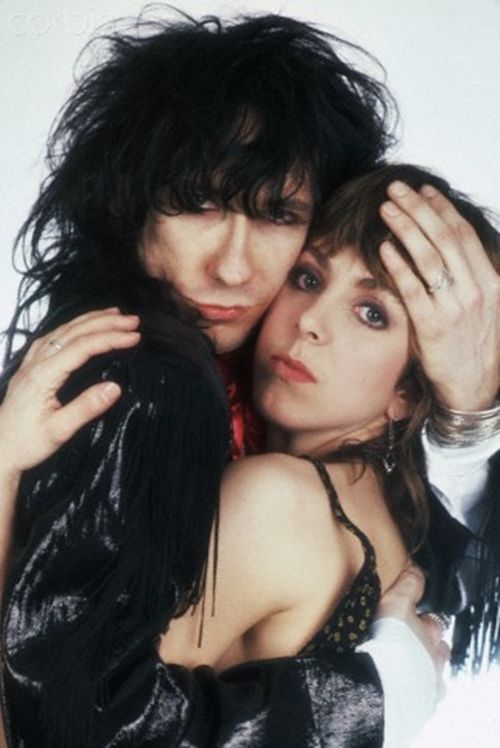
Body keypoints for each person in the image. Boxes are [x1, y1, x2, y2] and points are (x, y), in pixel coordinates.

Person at [0, 9, 498, 746]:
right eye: (199, 204)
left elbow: (67, 723)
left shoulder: (265, 477)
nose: (234, 269)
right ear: (129, 203)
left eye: (277, 215)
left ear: (411, 389)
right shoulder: (155, 381)